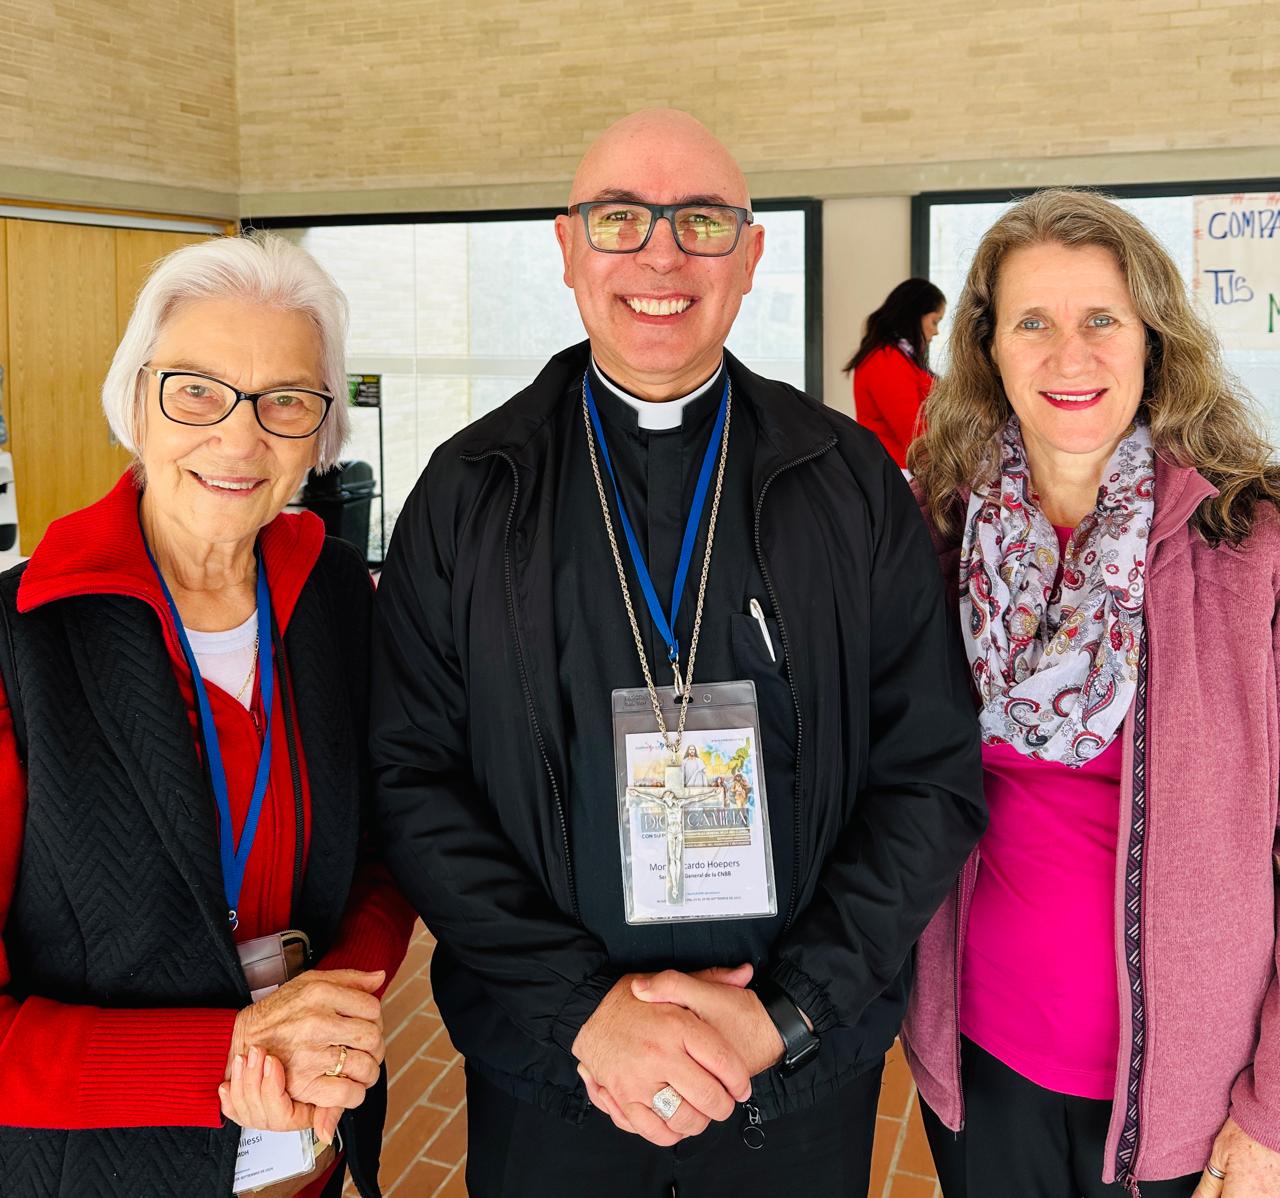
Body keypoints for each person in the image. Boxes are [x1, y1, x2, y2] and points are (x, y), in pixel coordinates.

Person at [372, 108, 984, 1198]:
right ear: (567, 248)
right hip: (551, 1077)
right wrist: (583, 1014)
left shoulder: (846, 484)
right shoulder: (469, 491)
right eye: (621, 219)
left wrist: (785, 1012)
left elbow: (929, 774)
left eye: (702, 222)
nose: (661, 256)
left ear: (750, 256)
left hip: (793, 1080)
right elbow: (411, 778)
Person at [0, 234, 415, 1197]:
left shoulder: (335, 601)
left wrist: (338, 999)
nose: (238, 438)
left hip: (308, 1156)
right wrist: (229, 1052)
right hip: (99, 1172)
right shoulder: (21, 644)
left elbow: (388, 854)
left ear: (321, 432)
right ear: (136, 400)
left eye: (286, 401)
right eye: (196, 390)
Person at [901, 189, 1280, 1198]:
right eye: (1032, 322)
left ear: (1153, 339)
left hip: (1188, 1105)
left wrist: (1273, 1115)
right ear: (988, 348)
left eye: (1101, 319)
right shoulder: (933, 539)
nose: (1069, 355)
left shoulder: (1250, 550)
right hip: (977, 1067)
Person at [844, 277, 946, 468]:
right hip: (900, 470)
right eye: (935, 321)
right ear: (915, 316)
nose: (936, 331)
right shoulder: (885, 360)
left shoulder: (901, 357)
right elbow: (913, 432)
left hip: (906, 467)